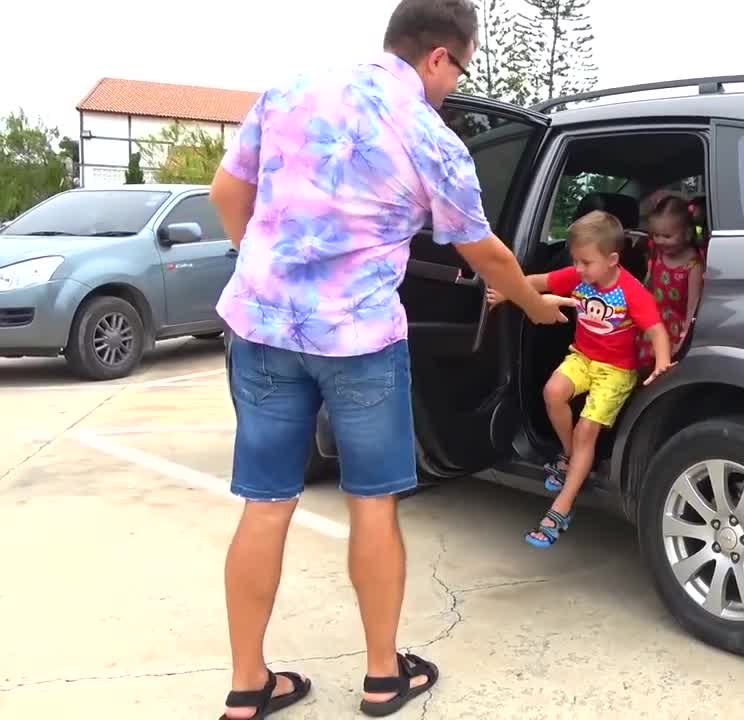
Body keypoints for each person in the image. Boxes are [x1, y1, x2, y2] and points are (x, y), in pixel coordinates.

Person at [208, 1, 574, 717]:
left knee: (265, 504)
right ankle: (382, 676)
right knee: (372, 505)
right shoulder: (430, 138)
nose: (452, 83)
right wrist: (533, 307)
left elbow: (228, 194)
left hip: (260, 329)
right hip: (361, 344)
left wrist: (266, 271)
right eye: (458, 68)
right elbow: (486, 254)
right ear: (439, 57)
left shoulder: (292, 89)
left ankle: (247, 685)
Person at [486, 211, 674, 548]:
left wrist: (661, 361)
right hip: (583, 358)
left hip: (616, 371)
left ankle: (563, 506)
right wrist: (508, 292)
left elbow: (656, 329)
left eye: (586, 262)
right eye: (576, 261)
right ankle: (571, 456)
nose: (580, 269)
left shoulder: (631, 291)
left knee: (587, 429)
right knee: (553, 392)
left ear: (612, 260)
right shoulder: (578, 277)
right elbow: (538, 281)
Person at [637, 195, 704, 369]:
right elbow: (648, 287)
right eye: (656, 235)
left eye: (667, 236)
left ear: (687, 234)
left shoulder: (693, 265)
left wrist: (683, 340)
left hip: (675, 329)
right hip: (653, 321)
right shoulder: (657, 255)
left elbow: (692, 307)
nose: (660, 241)